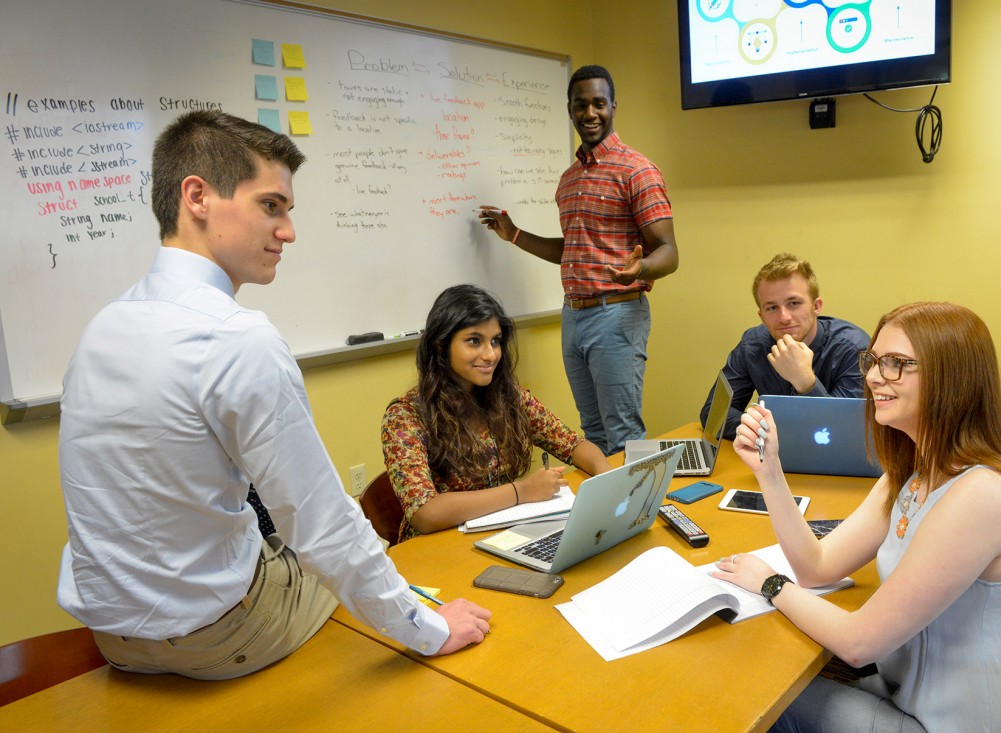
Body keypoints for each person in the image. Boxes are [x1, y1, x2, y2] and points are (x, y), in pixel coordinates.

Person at [57, 111, 490, 680]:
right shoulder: (237, 337)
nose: (288, 230)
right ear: (197, 197)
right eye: (271, 206)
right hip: (220, 637)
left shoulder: (101, 328)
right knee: (374, 560)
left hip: (113, 639)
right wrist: (431, 629)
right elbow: (323, 527)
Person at [712, 302, 1001, 733]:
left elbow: (859, 645)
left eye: (897, 363)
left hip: (967, 724)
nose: (874, 376)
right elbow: (816, 567)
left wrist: (770, 583)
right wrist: (769, 471)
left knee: (760, 692)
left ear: (951, 379)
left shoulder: (983, 496)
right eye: (875, 360)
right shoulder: (910, 474)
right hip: (914, 694)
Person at [477, 64, 679, 455]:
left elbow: (669, 252)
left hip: (617, 314)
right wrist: (514, 233)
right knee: (591, 433)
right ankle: (608, 517)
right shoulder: (569, 180)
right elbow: (572, 250)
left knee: (622, 433)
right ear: (569, 109)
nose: (590, 113)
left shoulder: (637, 170)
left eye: (599, 104)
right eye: (581, 104)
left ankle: (637, 516)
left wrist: (642, 268)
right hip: (574, 315)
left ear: (613, 107)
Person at [382, 284, 612, 542]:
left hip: (502, 534)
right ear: (440, 345)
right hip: (439, 547)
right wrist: (520, 492)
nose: (490, 354)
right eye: (474, 341)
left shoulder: (509, 396)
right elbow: (425, 513)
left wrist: (607, 478)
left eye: (495, 341)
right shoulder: (405, 415)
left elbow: (573, 444)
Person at [700, 252, 869, 439]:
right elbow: (713, 415)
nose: (784, 317)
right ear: (761, 316)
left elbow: (847, 432)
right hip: (771, 460)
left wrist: (806, 383)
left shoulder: (855, 350)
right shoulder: (752, 346)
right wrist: (768, 430)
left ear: (816, 306)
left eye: (794, 303)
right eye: (772, 307)